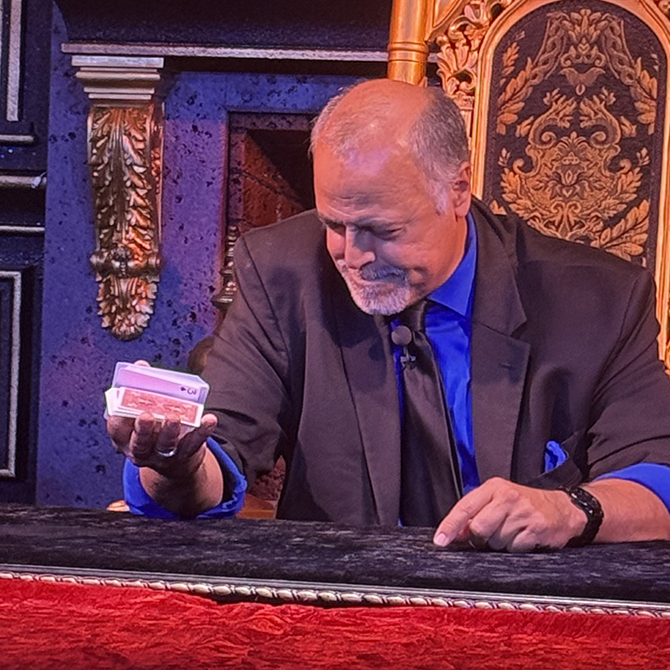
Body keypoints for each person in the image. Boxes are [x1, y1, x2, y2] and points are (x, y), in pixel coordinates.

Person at [108, 79, 670, 552]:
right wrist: (176, 465)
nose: (352, 256)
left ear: (457, 191)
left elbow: (659, 481)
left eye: (381, 229)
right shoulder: (282, 271)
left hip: (526, 606)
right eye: (334, 224)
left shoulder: (601, 300)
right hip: (339, 603)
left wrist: (570, 510)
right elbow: (221, 451)